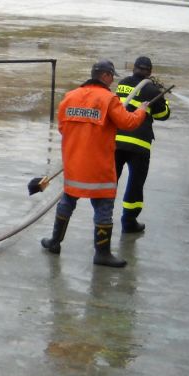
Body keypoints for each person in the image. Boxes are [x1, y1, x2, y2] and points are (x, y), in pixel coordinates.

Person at [40, 59, 148, 268]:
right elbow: (128, 123)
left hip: (74, 165)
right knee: (103, 208)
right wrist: (141, 110)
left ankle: (54, 242)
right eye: (111, 77)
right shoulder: (108, 99)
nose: (112, 81)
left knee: (67, 202)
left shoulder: (70, 97)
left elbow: (62, 127)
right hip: (99, 168)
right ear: (105, 76)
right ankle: (102, 254)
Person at [114, 56, 171, 235]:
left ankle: (103, 215)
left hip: (117, 141)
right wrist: (164, 99)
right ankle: (129, 222)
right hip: (139, 145)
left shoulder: (122, 83)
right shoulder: (153, 90)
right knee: (135, 183)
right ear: (150, 72)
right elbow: (163, 115)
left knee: (111, 180)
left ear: (134, 68)